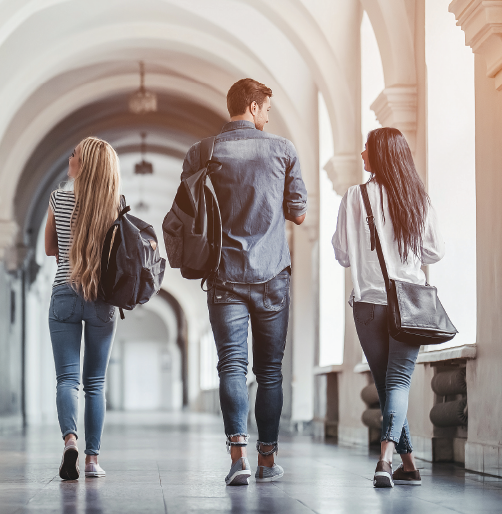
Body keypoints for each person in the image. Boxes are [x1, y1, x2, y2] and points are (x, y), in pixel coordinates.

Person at [182, 79, 307, 486]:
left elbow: (188, 212)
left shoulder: (202, 152)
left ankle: (238, 458)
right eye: (267, 109)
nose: (268, 117)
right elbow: (299, 213)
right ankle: (268, 460)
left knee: (231, 366)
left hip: (224, 276)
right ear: (253, 107)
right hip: (272, 276)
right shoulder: (282, 149)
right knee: (269, 372)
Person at [332, 127, 444, 488]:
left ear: (380, 155)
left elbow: (343, 255)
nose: (362, 153)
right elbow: (434, 252)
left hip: (368, 305)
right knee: (394, 384)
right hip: (409, 303)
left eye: (367, 147)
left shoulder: (354, 196)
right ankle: (398, 462)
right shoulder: (417, 198)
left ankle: (392, 460)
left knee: (387, 384)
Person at [44, 137, 121, 481]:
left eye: (73, 153)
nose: (69, 156)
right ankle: (92, 460)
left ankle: (70, 441)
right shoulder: (115, 204)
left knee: (67, 379)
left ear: (84, 164)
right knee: (95, 383)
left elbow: (50, 249)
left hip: (64, 292)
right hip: (102, 298)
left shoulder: (58, 197)